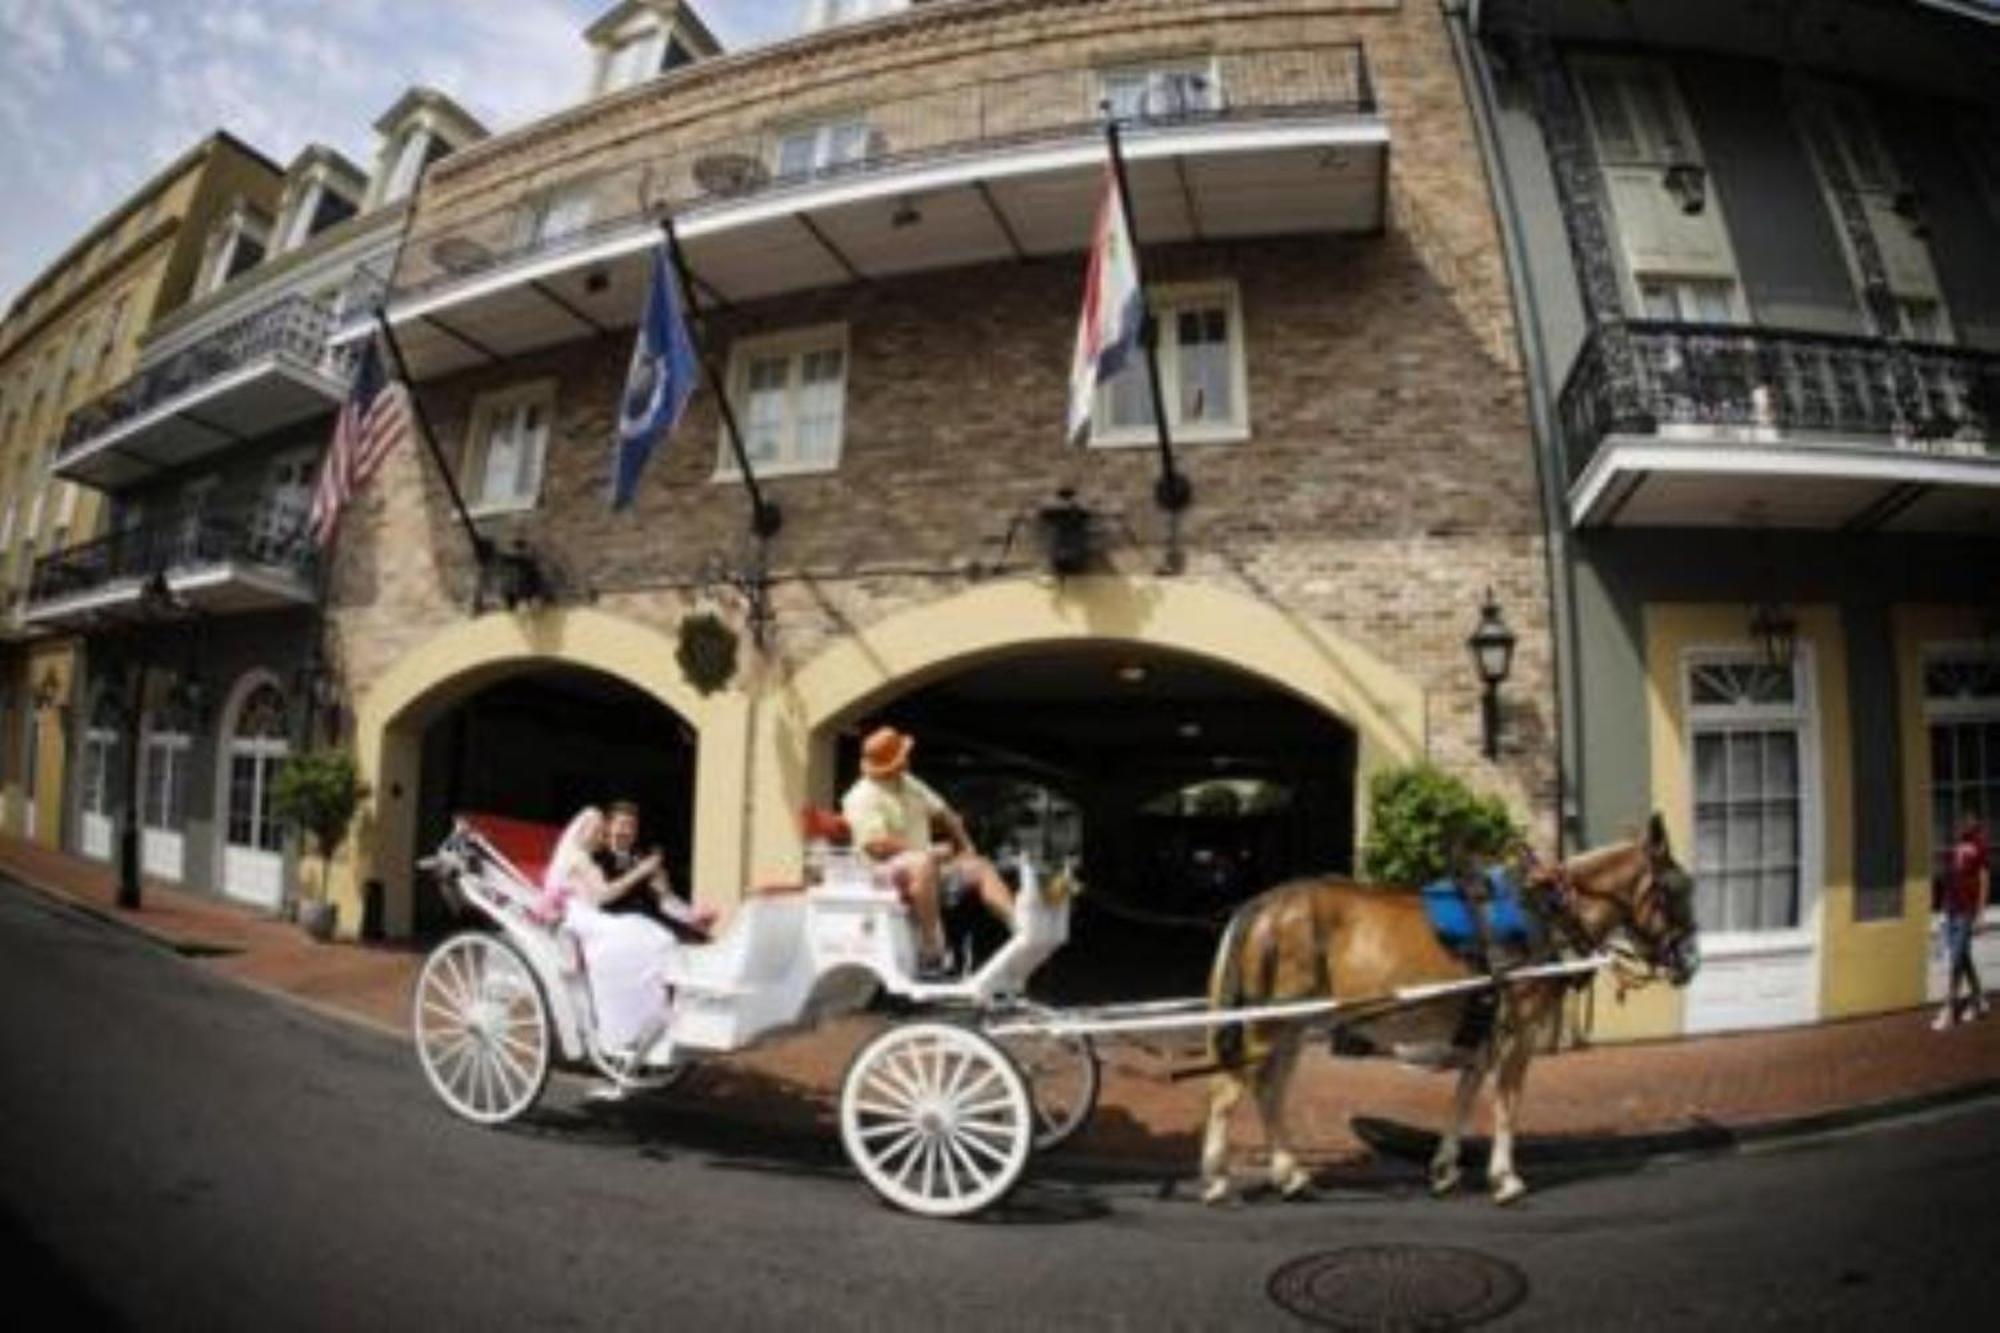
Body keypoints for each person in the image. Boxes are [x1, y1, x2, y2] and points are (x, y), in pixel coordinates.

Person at [840, 726, 1012, 979]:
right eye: (903, 755)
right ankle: (932, 949)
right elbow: (876, 846)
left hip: (924, 866)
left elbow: (946, 814)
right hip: (879, 874)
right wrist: (928, 851)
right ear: (893, 762)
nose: (908, 759)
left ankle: (1019, 924)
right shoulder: (861, 796)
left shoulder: (908, 783)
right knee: (921, 862)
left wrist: (967, 848)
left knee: (979, 866)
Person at [542, 807, 678, 1058]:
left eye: (599, 831)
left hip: (590, 915)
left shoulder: (583, 857)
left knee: (649, 937)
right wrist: (641, 871)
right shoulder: (579, 858)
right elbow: (604, 894)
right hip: (583, 919)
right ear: (581, 831)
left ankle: (644, 1021)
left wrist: (653, 876)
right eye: (594, 831)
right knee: (642, 938)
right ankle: (629, 1025)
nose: (598, 836)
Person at [594, 799, 716, 943]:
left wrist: (691, 916)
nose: (626, 831)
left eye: (632, 826)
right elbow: (601, 896)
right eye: (622, 824)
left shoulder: (642, 857)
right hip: (617, 926)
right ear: (609, 826)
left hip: (650, 920)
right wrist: (642, 871)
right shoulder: (596, 858)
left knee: (701, 941)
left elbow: (665, 899)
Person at [1936, 812, 1990, 1031]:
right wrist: (1943, 907)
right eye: (1961, 820)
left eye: (1969, 820)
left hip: (1967, 911)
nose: (1963, 824)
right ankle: (1978, 1001)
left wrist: (1981, 913)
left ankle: (1949, 1010)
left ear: (1976, 822)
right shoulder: (1958, 845)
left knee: (1957, 959)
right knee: (1963, 956)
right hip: (1951, 909)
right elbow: (1951, 876)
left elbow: (1984, 879)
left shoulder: (1980, 845)